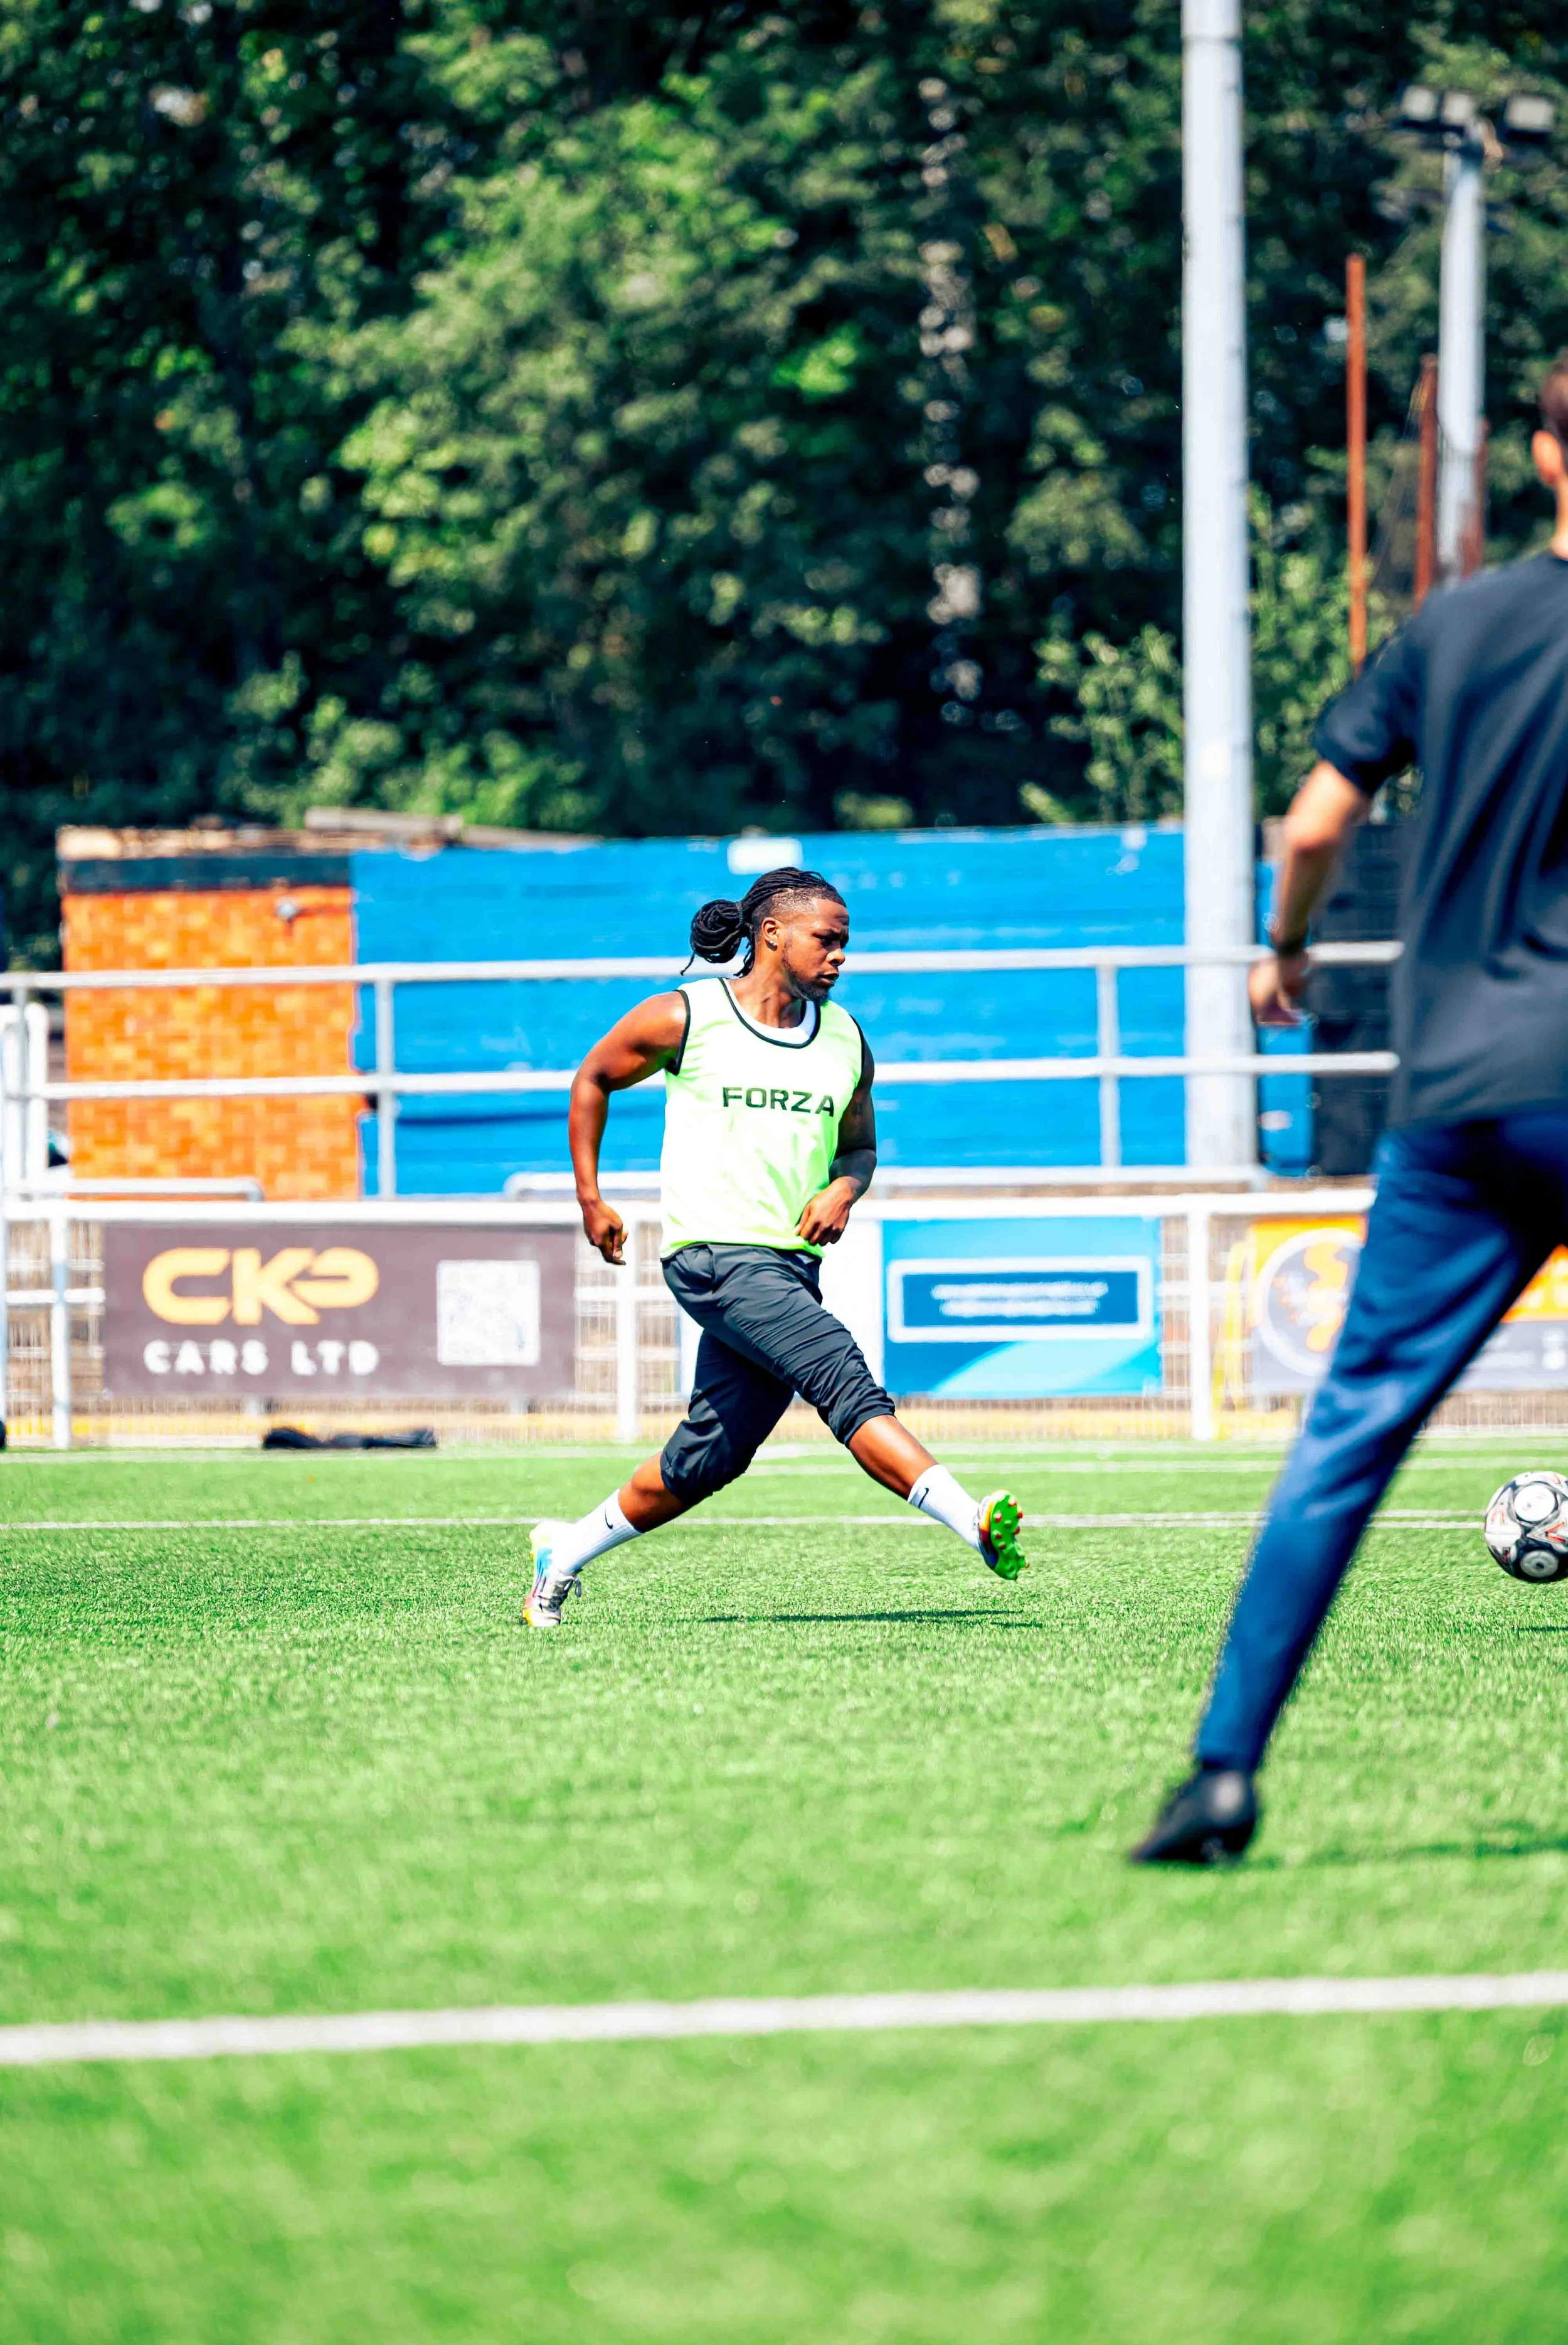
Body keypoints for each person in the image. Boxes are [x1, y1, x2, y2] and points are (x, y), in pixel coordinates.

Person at [1136, 353, 1568, 1865]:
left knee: (1350, 1430)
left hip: (1460, 1089)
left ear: (1541, 451)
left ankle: (1222, 1774)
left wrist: (1289, 944)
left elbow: (1316, 815)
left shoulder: (1455, 626)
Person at [522, 865, 1028, 1625]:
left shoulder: (848, 1041)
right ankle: (972, 1521)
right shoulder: (684, 1016)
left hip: (788, 1269)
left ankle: (560, 1555)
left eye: (845, 943)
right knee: (841, 1375)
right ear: (770, 935)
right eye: (827, 940)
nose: (840, 956)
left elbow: (859, 1150)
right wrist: (591, 1198)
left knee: (706, 1461)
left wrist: (842, 1190)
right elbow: (592, 1078)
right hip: (713, 1258)